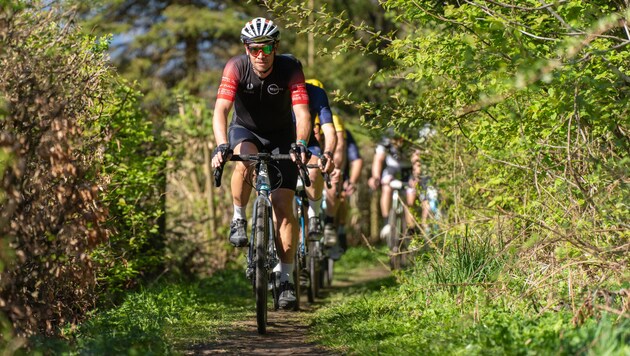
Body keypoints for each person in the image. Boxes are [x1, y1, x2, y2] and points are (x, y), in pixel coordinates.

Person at [211, 17, 311, 310]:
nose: (261, 54)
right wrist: (221, 146)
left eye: (266, 47)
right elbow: (221, 110)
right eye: (254, 49)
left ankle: (286, 279)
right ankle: (239, 217)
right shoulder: (236, 67)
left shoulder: (290, 68)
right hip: (246, 131)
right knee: (246, 160)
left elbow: (302, 113)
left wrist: (302, 145)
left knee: (283, 207)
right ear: (246, 48)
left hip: (283, 136)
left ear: (275, 47)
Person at [367, 129, 423, 239]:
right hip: (392, 169)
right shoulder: (385, 139)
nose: (398, 142)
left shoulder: (412, 139)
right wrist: (376, 177)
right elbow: (378, 159)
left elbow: (417, 161)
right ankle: (387, 221)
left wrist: (416, 177)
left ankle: (411, 230)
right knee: (386, 188)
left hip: (408, 169)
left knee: (411, 197)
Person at [308, 81, 344, 248]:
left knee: (334, 178)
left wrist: (335, 165)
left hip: (325, 156)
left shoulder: (332, 118)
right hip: (308, 155)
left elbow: (340, 145)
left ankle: (329, 223)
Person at [301, 78, 336, 242]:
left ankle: (315, 216)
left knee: (314, 171)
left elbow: (331, 134)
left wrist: (328, 154)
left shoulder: (316, 95)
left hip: (309, 146)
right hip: (280, 143)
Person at [335, 127, 363, 254]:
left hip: (340, 175)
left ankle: (340, 230)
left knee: (341, 197)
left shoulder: (345, 133)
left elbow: (356, 160)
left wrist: (352, 181)